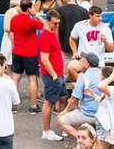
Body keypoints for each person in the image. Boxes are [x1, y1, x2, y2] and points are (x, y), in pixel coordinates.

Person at [6, 0, 42, 113]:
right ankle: (33, 106)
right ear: (29, 8)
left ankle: (13, 106)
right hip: (30, 53)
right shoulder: (31, 21)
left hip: (17, 52)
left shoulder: (14, 19)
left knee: (15, 78)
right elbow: (45, 25)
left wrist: (13, 47)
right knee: (32, 79)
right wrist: (36, 14)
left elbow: (11, 33)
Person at [58, 54, 103, 138]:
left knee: (60, 120)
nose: (79, 64)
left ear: (86, 63)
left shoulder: (83, 77)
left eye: (81, 61)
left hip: (89, 114)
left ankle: (83, 138)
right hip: (103, 112)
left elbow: (74, 99)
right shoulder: (103, 73)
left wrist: (65, 111)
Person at [38, 10, 66, 142]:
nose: (57, 26)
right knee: (49, 102)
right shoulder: (45, 36)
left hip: (58, 74)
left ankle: (62, 126)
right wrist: (54, 75)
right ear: (49, 22)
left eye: (59, 23)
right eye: (55, 23)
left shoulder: (51, 32)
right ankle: (46, 131)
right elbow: (44, 59)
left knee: (63, 97)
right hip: (52, 75)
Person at [67, 7, 114, 79]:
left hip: (98, 61)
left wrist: (105, 42)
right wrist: (74, 52)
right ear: (90, 15)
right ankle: (82, 84)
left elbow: (111, 49)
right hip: (83, 58)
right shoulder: (80, 25)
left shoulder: (105, 28)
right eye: (97, 16)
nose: (100, 18)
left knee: (105, 78)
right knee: (71, 68)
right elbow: (72, 38)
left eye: (101, 16)